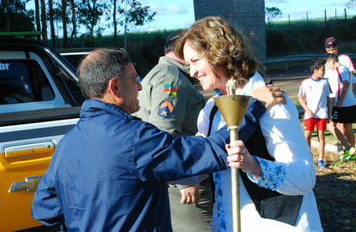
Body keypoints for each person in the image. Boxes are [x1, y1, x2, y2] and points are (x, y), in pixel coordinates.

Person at [31, 48, 283, 231]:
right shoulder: (132, 138)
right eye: (135, 80)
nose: (140, 87)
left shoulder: (67, 144)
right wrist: (253, 107)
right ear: (115, 87)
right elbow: (209, 152)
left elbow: (43, 208)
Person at [174, 16, 323, 231]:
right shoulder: (211, 110)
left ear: (219, 52)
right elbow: (202, 158)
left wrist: (254, 166)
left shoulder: (273, 102)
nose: (192, 72)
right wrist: (186, 175)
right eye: (188, 65)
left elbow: (305, 178)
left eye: (195, 61)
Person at [134, 30, 214, 231]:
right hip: (183, 187)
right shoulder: (172, 79)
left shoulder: (162, 73)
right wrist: (183, 180)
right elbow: (163, 135)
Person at [324, 37, 356, 152]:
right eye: (329, 49)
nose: (331, 51)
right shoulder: (341, 67)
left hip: (340, 99)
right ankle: (350, 149)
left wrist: (341, 99)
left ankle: (347, 146)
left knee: (332, 124)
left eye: (333, 48)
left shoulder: (341, 66)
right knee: (345, 125)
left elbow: (347, 83)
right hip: (343, 99)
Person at [298, 58, 331, 167]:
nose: (324, 71)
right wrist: (307, 110)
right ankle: (309, 155)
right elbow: (300, 98)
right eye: (322, 69)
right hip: (310, 114)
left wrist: (329, 113)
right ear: (315, 70)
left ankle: (321, 159)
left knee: (321, 135)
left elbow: (328, 98)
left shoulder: (325, 82)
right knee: (307, 135)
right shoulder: (306, 83)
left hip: (322, 113)